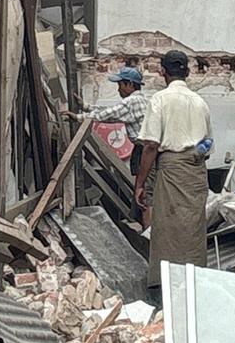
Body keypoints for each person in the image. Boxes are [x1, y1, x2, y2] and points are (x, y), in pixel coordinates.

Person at [134, 50, 212, 296]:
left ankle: (167, 287)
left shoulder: (160, 100)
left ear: (163, 72)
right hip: (196, 169)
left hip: (171, 167)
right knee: (193, 227)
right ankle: (193, 283)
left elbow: (150, 146)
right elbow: (208, 144)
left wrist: (140, 183)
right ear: (187, 73)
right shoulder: (200, 102)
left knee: (168, 228)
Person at [69, 65, 150, 171]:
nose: (118, 90)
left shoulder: (132, 101)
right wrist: (85, 106)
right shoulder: (142, 100)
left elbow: (109, 114)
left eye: (120, 85)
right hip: (146, 149)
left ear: (130, 84)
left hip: (144, 150)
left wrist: (79, 117)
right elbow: (111, 110)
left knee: (144, 184)